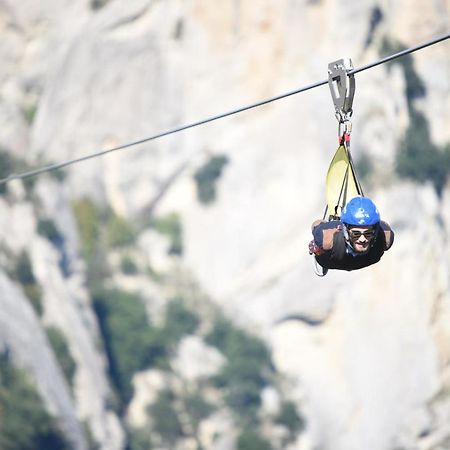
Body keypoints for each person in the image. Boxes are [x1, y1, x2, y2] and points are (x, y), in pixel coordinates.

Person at [309, 196, 394, 273]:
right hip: (329, 261)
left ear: (375, 232)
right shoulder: (325, 237)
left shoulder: (385, 237)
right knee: (321, 232)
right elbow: (316, 225)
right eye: (356, 234)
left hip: (345, 259)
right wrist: (316, 246)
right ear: (345, 231)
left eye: (368, 234)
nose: (362, 239)